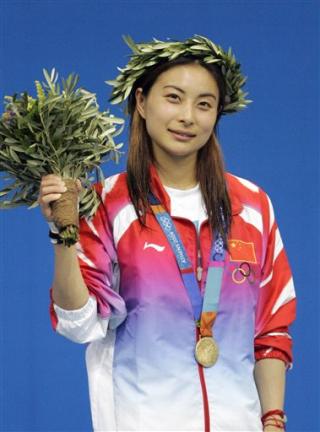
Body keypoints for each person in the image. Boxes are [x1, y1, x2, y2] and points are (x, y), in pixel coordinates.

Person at [38, 35, 296, 432]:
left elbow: (271, 328)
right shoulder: (107, 203)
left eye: (204, 104)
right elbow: (80, 324)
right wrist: (63, 236)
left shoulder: (253, 206)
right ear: (141, 102)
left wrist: (273, 421)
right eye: (173, 98)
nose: (188, 116)